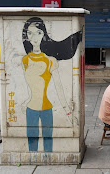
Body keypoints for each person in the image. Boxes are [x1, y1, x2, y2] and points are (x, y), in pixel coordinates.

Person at [21, 17, 82, 152]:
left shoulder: (50, 61)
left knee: (48, 141)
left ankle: (47, 160)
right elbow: (29, 85)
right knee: (32, 140)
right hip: (29, 108)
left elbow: (59, 88)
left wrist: (68, 111)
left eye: (38, 32)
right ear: (26, 36)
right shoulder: (25, 60)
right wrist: (25, 99)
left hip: (47, 108)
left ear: (44, 34)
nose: (34, 37)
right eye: (29, 33)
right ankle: (32, 160)